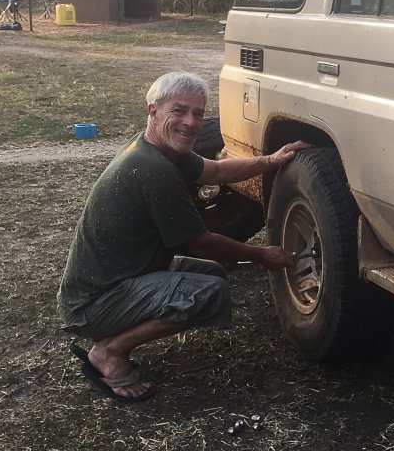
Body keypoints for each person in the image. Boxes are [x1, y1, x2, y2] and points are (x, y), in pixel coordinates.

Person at [57, 71, 308, 403]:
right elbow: (200, 242)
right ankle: (110, 350)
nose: (190, 122)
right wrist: (262, 254)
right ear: (153, 111)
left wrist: (271, 161)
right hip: (93, 303)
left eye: (198, 113)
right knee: (209, 292)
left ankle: (115, 336)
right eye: (179, 110)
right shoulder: (155, 171)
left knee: (211, 273)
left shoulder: (154, 148)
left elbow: (216, 171)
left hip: (111, 281)